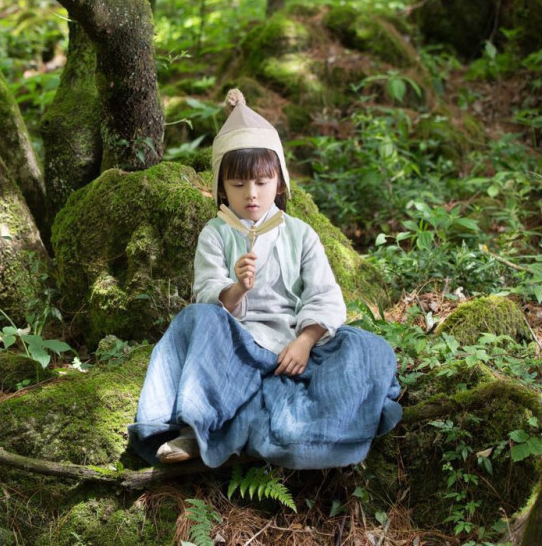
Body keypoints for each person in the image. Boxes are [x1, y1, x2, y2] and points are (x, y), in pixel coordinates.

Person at [126, 89, 402, 469]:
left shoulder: (300, 233)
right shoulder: (215, 233)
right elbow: (207, 295)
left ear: (281, 183)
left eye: (261, 183)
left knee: (369, 350)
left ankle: (318, 432)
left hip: (293, 350)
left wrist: (305, 341)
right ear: (222, 187)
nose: (251, 195)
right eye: (238, 186)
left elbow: (325, 294)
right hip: (234, 349)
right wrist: (237, 286)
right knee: (195, 319)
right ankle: (198, 426)